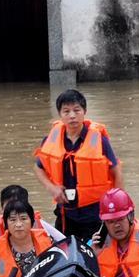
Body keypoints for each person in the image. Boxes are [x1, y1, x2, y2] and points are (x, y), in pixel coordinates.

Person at [34, 89, 122, 241]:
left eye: (76, 110)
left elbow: (116, 170)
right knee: (64, 251)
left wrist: (117, 204)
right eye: (66, 111)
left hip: (95, 213)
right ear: (60, 114)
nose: (72, 116)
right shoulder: (51, 140)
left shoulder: (99, 141)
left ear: (84, 111)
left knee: (96, 252)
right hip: (65, 213)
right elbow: (38, 167)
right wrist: (52, 188)